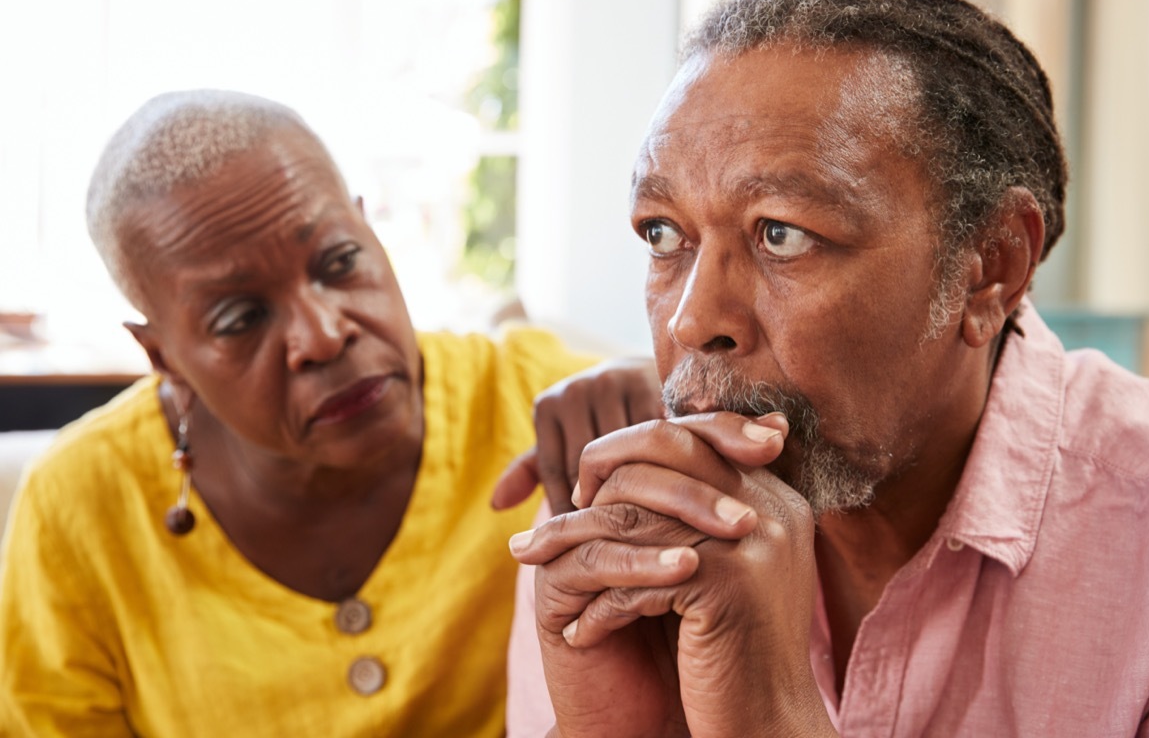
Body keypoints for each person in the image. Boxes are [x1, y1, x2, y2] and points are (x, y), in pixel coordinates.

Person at [505, 0, 1149, 736]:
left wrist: (768, 719)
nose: (693, 321)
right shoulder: (628, 533)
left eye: (782, 234)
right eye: (664, 235)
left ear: (991, 267)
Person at [0, 89, 660, 736]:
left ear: (371, 232)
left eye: (340, 262)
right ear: (163, 355)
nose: (322, 335)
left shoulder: (538, 402)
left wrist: (674, 398)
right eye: (241, 318)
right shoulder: (78, 506)